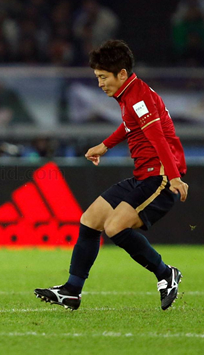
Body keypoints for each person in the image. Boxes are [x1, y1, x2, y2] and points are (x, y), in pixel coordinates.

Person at [35, 40, 188, 311]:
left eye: (103, 77)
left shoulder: (138, 97)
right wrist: (104, 146)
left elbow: (158, 139)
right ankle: (71, 290)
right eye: (97, 77)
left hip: (160, 176)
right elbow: (129, 126)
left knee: (115, 228)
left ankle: (166, 273)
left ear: (122, 74)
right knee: (90, 220)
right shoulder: (131, 94)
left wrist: (174, 177)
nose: (100, 84)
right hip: (144, 174)